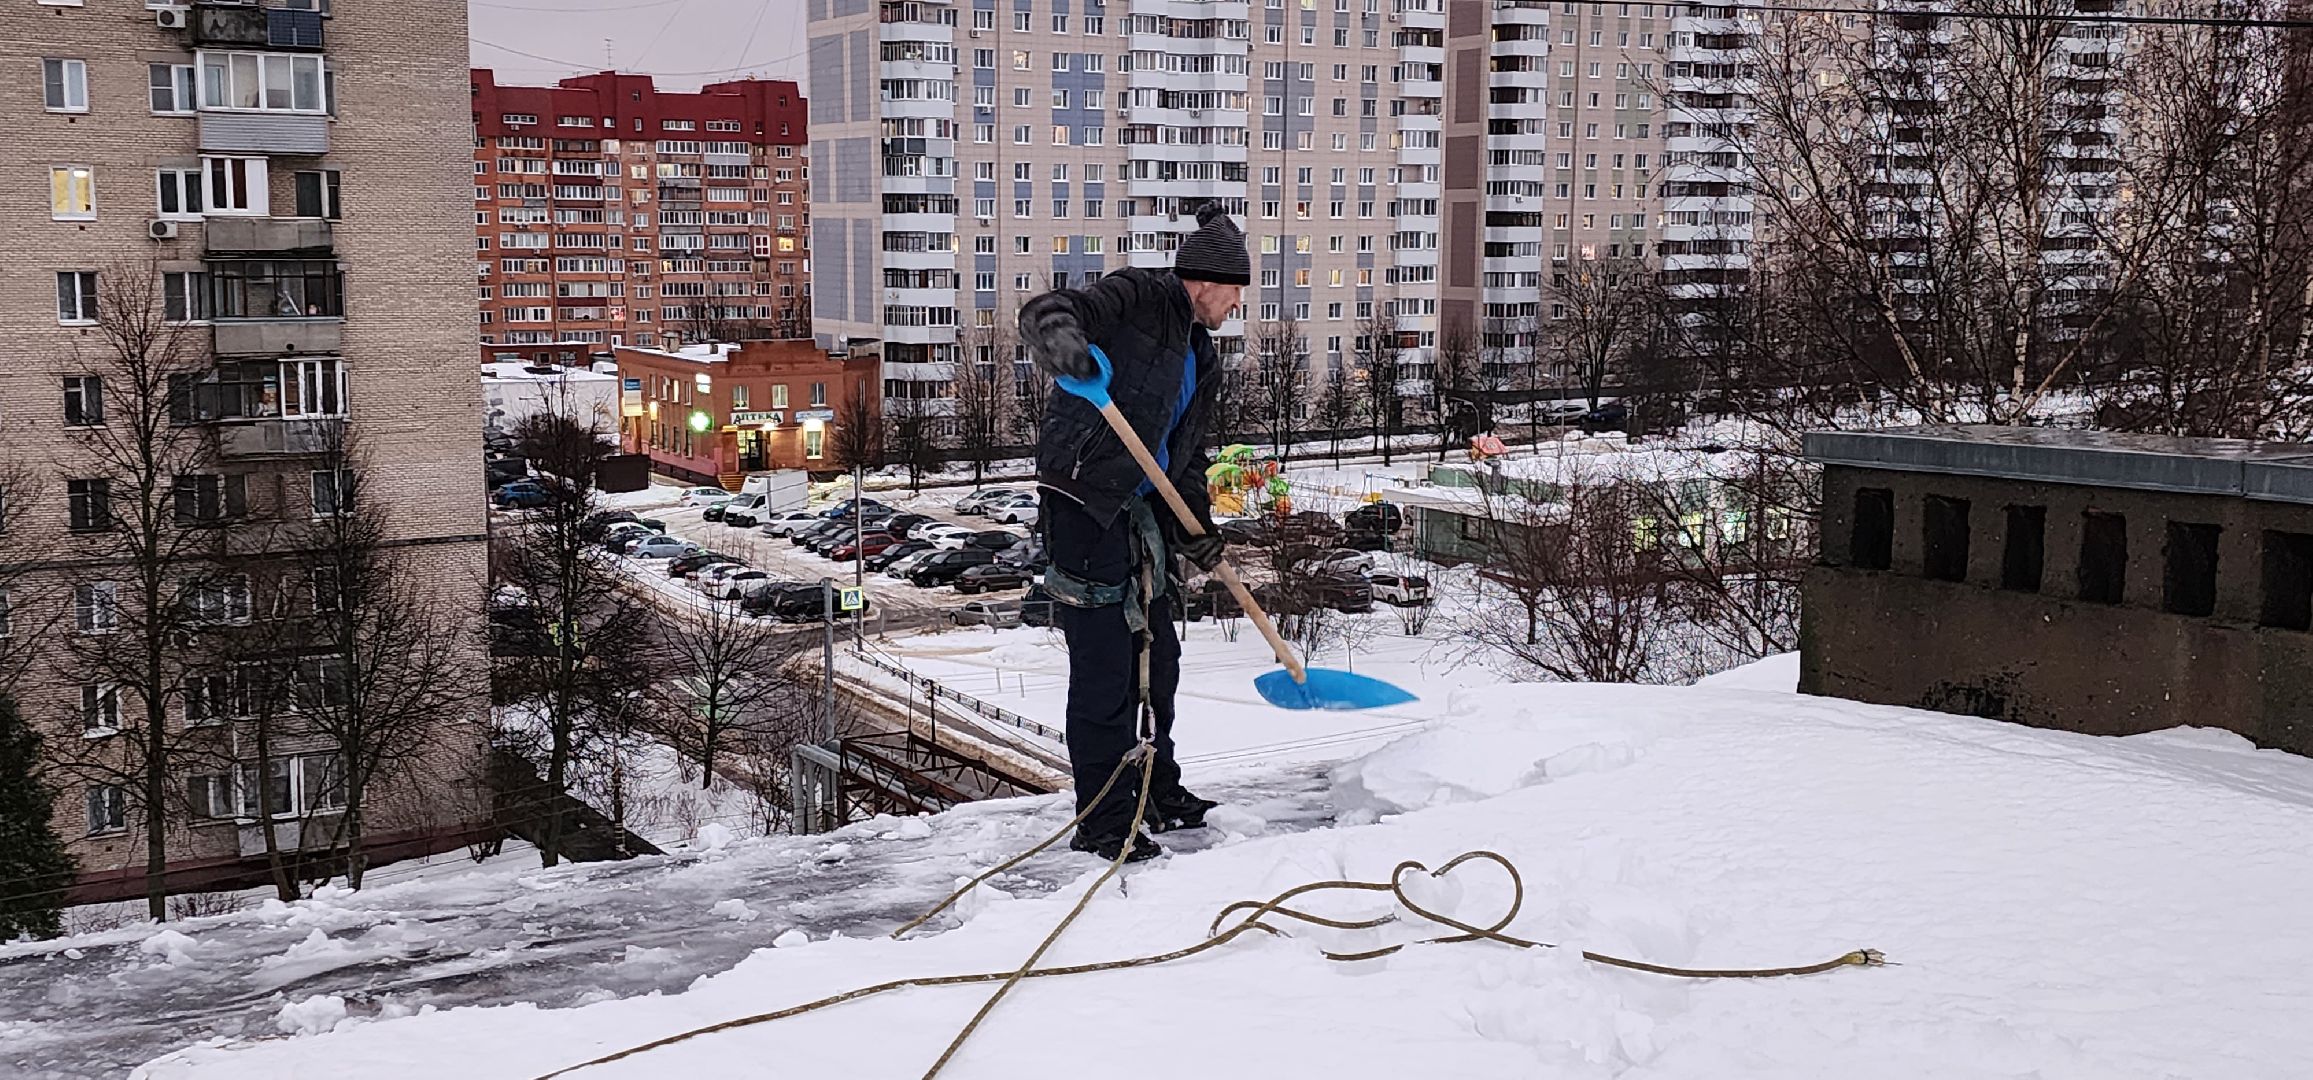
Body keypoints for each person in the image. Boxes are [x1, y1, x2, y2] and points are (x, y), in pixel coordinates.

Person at [1021, 203, 1248, 862]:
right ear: (1208, 280)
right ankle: (1103, 818)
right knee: (1105, 673)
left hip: (1144, 515)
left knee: (1160, 665)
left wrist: (1197, 529)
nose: (1236, 306)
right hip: (1084, 502)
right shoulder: (1137, 295)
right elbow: (1051, 311)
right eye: (1235, 292)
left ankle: (1156, 790)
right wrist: (1058, 337)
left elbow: (1186, 455)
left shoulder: (1199, 353)